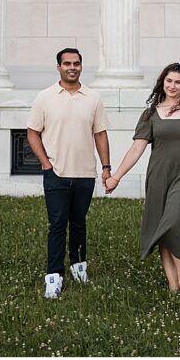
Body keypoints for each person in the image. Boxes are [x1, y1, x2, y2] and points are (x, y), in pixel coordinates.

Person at [105, 63, 180, 295]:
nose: (172, 86)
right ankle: (172, 286)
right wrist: (116, 177)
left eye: (177, 82)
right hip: (158, 177)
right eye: (169, 81)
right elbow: (136, 149)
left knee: (174, 222)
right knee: (162, 229)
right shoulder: (151, 114)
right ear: (162, 83)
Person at [27, 47, 111, 299]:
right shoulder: (44, 97)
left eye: (76, 63)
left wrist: (106, 168)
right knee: (57, 226)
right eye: (67, 64)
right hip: (56, 174)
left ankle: (78, 267)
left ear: (81, 66)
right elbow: (33, 133)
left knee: (79, 223)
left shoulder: (93, 98)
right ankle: (54, 277)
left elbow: (100, 134)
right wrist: (45, 164)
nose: (72, 67)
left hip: (85, 173)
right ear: (58, 67)